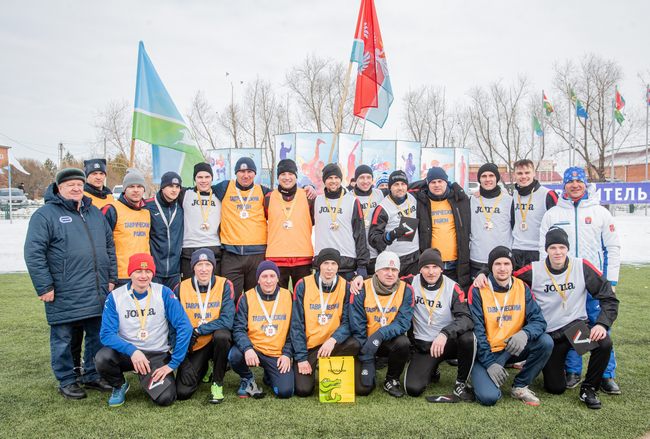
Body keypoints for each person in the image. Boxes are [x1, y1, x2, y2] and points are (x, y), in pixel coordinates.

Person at [25, 168, 116, 399]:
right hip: (63, 290)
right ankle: (66, 379)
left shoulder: (94, 213)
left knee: (96, 335)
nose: (76, 188)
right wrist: (44, 286)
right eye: (70, 185)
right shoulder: (45, 215)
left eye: (79, 184)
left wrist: (111, 278)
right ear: (59, 188)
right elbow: (34, 253)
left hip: (96, 288)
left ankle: (92, 374)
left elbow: (109, 247)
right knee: (63, 339)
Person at [512, 228, 618, 409]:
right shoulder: (534, 270)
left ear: (567, 248)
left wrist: (601, 324)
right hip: (550, 335)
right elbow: (505, 276)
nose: (558, 252)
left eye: (562, 247)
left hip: (574, 329)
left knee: (603, 343)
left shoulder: (581, 266)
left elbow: (608, 295)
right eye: (553, 247)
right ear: (546, 249)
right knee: (555, 388)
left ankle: (589, 388)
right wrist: (483, 274)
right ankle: (546, 365)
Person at [539, 166, 621, 394]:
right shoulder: (553, 214)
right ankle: (573, 371)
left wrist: (611, 281)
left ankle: (606, 374)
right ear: (564, 185)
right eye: (570, 182)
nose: (574, 185)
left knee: (599, 324)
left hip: (593, 281)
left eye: (579, 182)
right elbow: (541, 250)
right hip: (565, 281)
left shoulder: (600, 212)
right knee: (572, 325)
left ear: (585, 183)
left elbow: (613, 248)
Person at [96, 253, 192, 407]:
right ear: (130, 273)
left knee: (166, 398)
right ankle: (119, 385)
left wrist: (173, 364)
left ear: (152, 273)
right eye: (138, 271)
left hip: (156, 353)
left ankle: (146, 374)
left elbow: (184, 326)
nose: (143, 276)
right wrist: (132, 351)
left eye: (148, 271)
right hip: (127, 353)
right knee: (103, 358)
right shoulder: (115, 296)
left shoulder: (163, 292)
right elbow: (106, 334)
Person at [468, 246, 553, 406]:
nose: (502, 268)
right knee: (488, 398)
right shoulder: (478, 289)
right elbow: (477, 331)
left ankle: (520, 385)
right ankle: (481, 373)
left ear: (512, 266)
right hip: (488, 351)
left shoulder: (522, 286)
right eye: (497, 264)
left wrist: (525, 333)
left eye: (506, 264)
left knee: (545, 342)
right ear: (491, 267)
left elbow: (539, 321)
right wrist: (489, 363)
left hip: (513, 347)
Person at [403, 249, 475, 401]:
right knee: (412, 389)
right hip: (424, 345)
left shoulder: (452, 287)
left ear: (441, 268)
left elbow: (466, 318)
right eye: (426, 267)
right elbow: (386, 278)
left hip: (448, 343)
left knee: (468, 338)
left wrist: (445, 333)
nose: (431, 272)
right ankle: (432, 369)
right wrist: (359, 280)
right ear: (420, 269)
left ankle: (461, 382)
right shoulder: (410, 282)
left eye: (435, 267)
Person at [291, 248, 361, 397]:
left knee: (354, 343)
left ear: (338, 266)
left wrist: (333, 339)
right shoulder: (303, 285)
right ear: (319, 265)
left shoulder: (346, 286)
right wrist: (301, 358)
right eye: (326, 263)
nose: (329, 268)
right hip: (310, 346)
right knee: (303, 390)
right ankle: (308, 363)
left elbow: (348, 322)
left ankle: (329, 366)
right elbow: (296, 324)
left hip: (333, 344)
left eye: (333, 264)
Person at [349, 251, 415, 397]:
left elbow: (403, 323)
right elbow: (356, 323)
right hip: (365, 341)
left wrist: (380, 334)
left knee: (403, 343)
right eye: (385, 269)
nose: (390, 273)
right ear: (377, 271)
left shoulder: (406, 289)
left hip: (387, 340)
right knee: (364, 389)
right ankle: (367, 360)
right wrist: (367, 353)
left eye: (394, 270)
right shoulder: (361, 287)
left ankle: (391, 379)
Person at [175, 248, 235, 404]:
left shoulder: (224, 284)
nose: (203, 269)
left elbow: (227, 320)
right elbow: (173, 324)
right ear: (193, 267)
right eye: (199, 264)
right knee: (182, 392)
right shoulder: (181, 288)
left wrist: (199, 330)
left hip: (215, 339)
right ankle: (205, 368)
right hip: (195, 344)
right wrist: (184, 361)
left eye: (207, 264)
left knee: (223, 336)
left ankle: (217, 382)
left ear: (213, 266)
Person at [229, 261, 294, 399]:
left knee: (285, 392)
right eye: (264, 276)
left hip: (277, 353)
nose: (268, 281)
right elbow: (239, 328)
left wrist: (287, 354)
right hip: (255, 349)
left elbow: (294, 329)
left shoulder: (288, 296)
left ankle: (269, 376)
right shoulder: (247, 297)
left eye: (272, 276)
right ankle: (247, 378)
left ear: (278, 278)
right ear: (258, 279)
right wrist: (247, 348)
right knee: (235, 355)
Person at [215, 158, 273, 299]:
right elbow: (202, 188)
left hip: (257, 255)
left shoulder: (264, 191)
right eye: (241, 171)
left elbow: (287, 195)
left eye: (249, 171)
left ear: (255, 173)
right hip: (231, 254)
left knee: (254, 299)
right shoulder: (224, 187)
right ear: (236, 173)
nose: (245, 175)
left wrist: (309, 188)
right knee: (230, 299)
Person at [412, 166, 471, 289]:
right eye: (433, 182)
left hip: (456, 262)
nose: (437, 185)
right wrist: (424, 182)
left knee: (455, 295)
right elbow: (403, 188)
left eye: (440, 181)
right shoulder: (421, 201)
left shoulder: (459, 199)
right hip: (431, 264)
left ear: (446, 182)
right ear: (427, 184)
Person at [313, 163, 368, 287]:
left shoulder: (352, 201)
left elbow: (360, 234)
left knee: (346, 298)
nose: (333, 181)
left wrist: (362, 265)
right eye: (329, 178)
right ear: (324, 180)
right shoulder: (317, 201)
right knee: (323, 298)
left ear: (341, 179)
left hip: (346, 263)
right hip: (323, 262)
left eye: (336, 178)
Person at [264, 159, 314, 289]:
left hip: (303, 257)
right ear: (278, 177)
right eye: (283, 174)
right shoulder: (268, 197)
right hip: (276, 257)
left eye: (291, 174)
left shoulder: (308, 196)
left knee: (303, 297)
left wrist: (311, 187)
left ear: (296, 176)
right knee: (279, 298)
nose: (287, 177)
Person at [102, 168, 151, 286]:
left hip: (143, 274)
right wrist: (110, 277)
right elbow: (102, 245)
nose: (136, 190)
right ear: (124, 189)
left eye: (139, 186)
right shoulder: (111, 209)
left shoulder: (147, 211)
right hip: (120, 276)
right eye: (131, 186)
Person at [368, 170, 420, 278]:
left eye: (403, 184)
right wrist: (391, 235)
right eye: (396, 184)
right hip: (395, 259)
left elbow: (429, 183)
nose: (400, 188)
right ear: (390, 187)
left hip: (415, 256)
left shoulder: (413, 197)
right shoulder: (383, 208)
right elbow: (373, 238)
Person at [510, 159, 558, 269]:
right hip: (517, 249)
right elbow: (512, 221)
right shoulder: (514, 195)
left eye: (527, 173)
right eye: (519, 173)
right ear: (514, 175)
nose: (523, 176)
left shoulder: (547, 194)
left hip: (538, 250)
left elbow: (557, 225)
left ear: (534, 173)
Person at [469, 163, 513, 279]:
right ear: (479, 179)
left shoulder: (509, 200)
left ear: (497, 178)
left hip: (501, 261)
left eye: (491, 175)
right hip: (477, 259)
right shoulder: (472, 200)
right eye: (484, 176)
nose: (487, 179)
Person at [180, 162, 222, 280]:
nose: (203, 181)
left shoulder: (220, 194)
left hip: (214, 246)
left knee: (213, 287)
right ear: (194, 179)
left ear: (212, 178)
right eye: (200, 177)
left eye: (207, 177)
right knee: (189, 286)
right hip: (190, 247)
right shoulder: (185, 194)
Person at [144, 171, 184, 290]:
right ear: (162, 187)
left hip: (174, 271)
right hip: (154, 270)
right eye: (170, 186)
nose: (174, 190)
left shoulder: (181, 206)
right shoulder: (148, 206)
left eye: (177, 187)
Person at [351, 165, 385, 274]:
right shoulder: (349, 197)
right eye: (361, 177)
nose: (365, 181)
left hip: (376, 253)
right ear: (356, 180)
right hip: (356, 254)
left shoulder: (379, 194)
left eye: (368, 177)